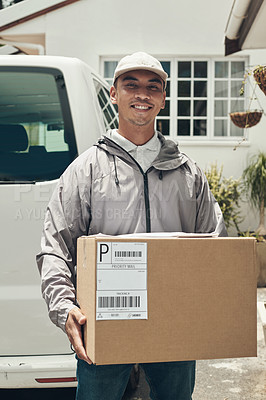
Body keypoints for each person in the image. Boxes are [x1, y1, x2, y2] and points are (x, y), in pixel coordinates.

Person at [37, 51, 227, 400]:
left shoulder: (188, 174)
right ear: (114, 94)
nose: (143, 94)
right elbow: (55, 248)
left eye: (153, 87)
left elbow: (215, 246)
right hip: (104, 327)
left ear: (163, 99)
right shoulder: (85, 171)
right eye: (131, 85)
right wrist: (65, 309)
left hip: (175, 326)